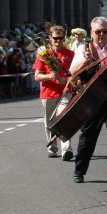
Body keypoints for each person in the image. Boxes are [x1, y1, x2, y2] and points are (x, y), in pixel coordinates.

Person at [69, 17, 107, 190]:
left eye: (104, 31)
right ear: (91, 32)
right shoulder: (84, 49)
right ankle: (79, 171)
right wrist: (85, 62)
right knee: (88, 137)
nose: (101, 35)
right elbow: (72, 73)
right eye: (98, 32)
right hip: (92, 100)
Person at [33, 26, 75, 160]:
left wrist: (65, 79)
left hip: (65, 91)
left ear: (64, 38)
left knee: (64, 119)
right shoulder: (44, 55)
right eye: (55, 38)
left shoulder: (70, 54)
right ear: (50, 38)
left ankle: (66, 149)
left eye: (60, 38)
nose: (58, 41)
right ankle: (52, 148)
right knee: (49, 122)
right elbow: (37, 76)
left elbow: (76, 75)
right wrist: (51, 76)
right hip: (48, 93)